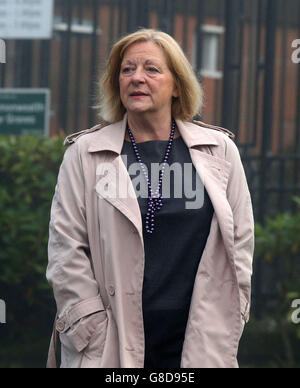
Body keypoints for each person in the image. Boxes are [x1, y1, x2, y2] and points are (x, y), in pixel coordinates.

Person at [46, 28, 255, 369]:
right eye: (127, 70)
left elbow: (240, 241)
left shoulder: (220, 152)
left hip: (199, 341)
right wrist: (91, 327)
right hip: (111, 343)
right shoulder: (85, 154)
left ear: (177, 85)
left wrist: (233, 312)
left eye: (151, 69)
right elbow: (65, 250)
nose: (136, 78)